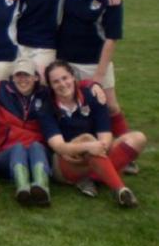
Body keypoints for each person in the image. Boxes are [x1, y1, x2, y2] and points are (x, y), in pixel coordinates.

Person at [39, 61, 145, 207]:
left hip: (96, 152)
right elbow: (60, 147)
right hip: (65, 163)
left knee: (138, 138)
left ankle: (92, 178)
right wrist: (88, 146)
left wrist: (99, 146)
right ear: (50, 86)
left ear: (73, 77)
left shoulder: (92, 95)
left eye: (65, 78)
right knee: (86, 139)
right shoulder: (46, 107)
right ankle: (120, 189)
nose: (62, 84)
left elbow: (105, 135)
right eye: (56, 82)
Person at [57, 0, 130, 141]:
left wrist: (98, 75)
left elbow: (111, 38)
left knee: (110, 105)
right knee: (72, 103)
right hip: (65, 60)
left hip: (93, 62)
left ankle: (127, 145)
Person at [0, 58, 53, 205]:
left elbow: (71, 87)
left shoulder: (46, 94)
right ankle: (22, 188)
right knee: (18, 147)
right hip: (7, 154)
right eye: (18, 75)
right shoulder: (1, 90)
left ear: (36, 77)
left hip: (38, 153)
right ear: (12, 77)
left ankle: (42, 187)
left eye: (27, 75)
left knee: (36, 146)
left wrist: (92, 85)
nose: (22, 79)